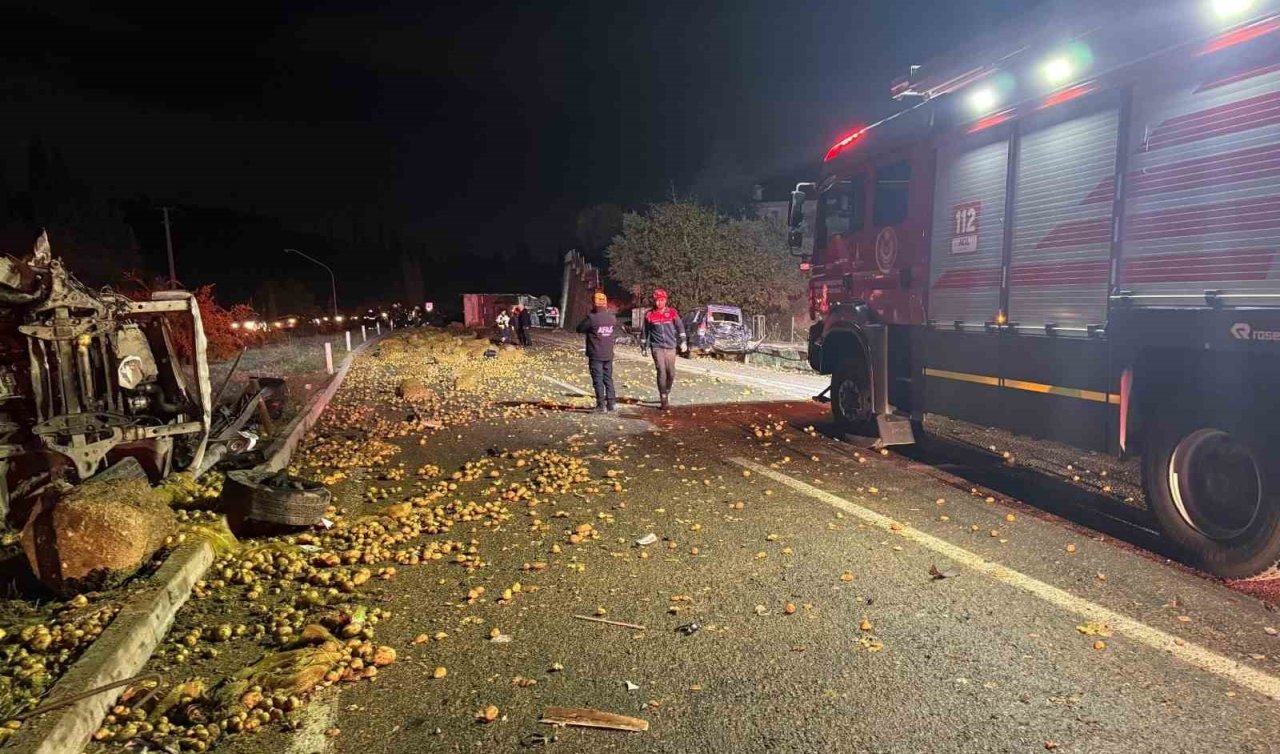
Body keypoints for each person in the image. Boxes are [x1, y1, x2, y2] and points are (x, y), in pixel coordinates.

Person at [641, 287, 686, 409]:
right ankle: (663, 398)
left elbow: (680, 327)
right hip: (657, 347)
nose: (658, 303)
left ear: (665, 300)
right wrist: (643, 347)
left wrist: (683, 342)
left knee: (671, 372)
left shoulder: (672, 312)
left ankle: (667, 390)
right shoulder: (649, 314)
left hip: (671, 346)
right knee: (661, 370)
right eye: (656, 300)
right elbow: (645, 332)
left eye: (661, 300)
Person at [576, 290, 617, 412]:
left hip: (596, 354)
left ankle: (601, 405)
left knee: (598, 379)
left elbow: (580, 328)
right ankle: (611, 403)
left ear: (594, 304)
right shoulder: (612, 318)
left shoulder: (592, 318)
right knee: (608, 378)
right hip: (608, 354)